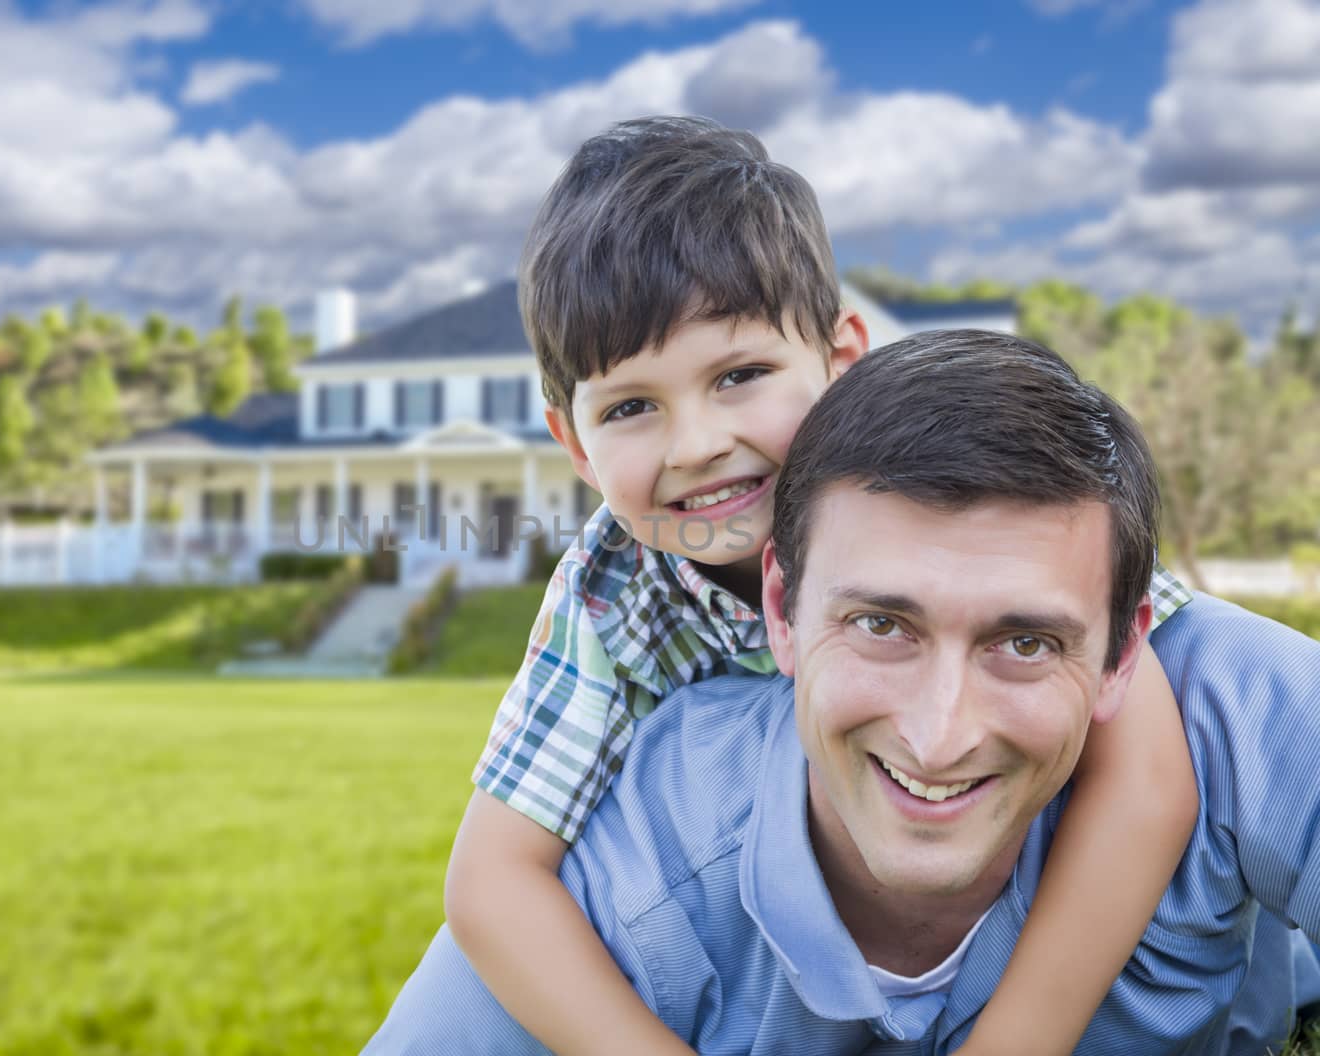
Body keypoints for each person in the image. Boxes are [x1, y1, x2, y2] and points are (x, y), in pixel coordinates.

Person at [441, 116, 1198, 1056]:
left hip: (1020, 904)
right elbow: (492, 881)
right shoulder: (612, 593)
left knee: (1225, 677)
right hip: (788, 950)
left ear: (840, 358)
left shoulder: (962, 481)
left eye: (740, 375)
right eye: (632, 407)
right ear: (575, 447)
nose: (697, 445)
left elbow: (1149, 778)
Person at [366, 329, 1320, 1055]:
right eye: (881, 625)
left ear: (1123, 650)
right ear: (778, 604)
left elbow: (1156, 782)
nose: (939, 737)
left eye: (1024, 642)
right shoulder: (649, 849)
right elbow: (490, 886)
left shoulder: (1225, 698)